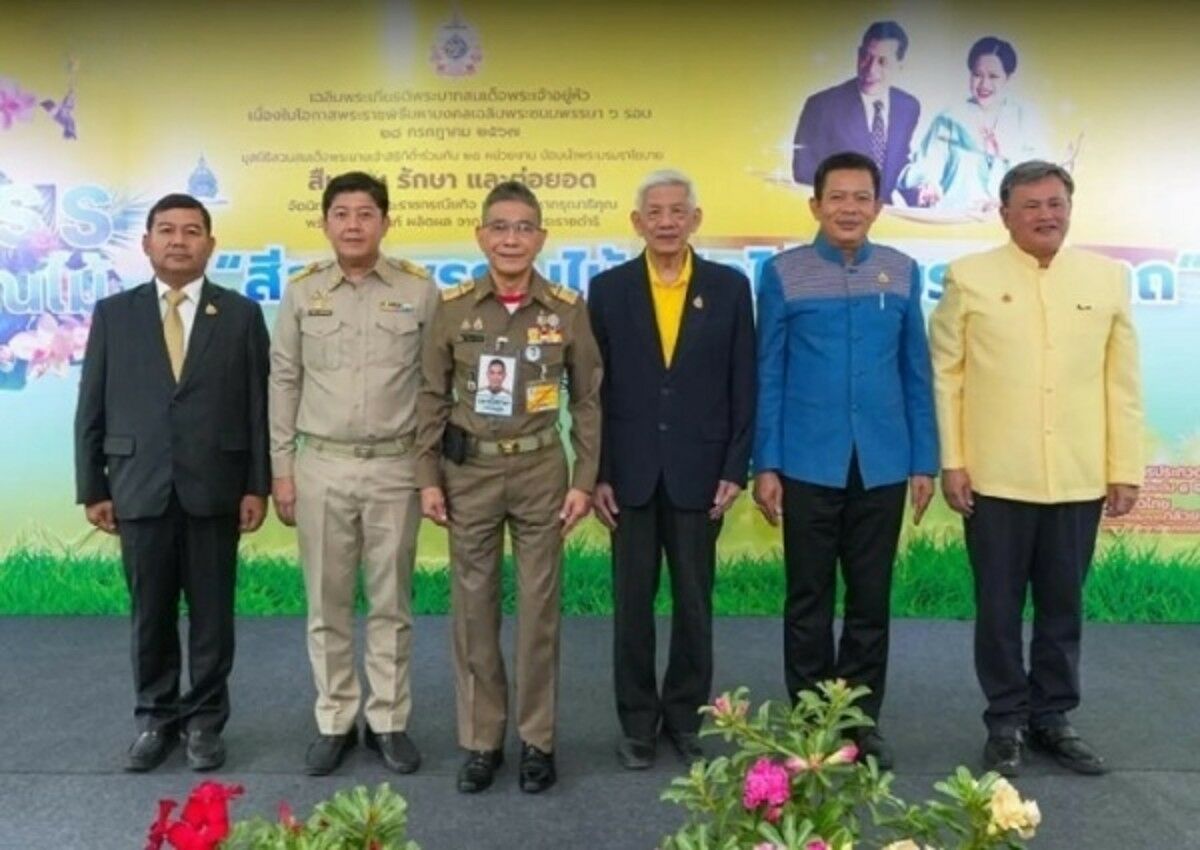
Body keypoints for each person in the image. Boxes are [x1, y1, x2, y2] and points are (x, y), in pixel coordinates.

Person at [929, 160, 1143, 777]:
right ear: (1005, 214)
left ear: (1070, 207)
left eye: (1056, 202)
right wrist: (952, 461)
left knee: (1062, 605)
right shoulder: (969, 277)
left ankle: (1052, 718)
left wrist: (1122, 466)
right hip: (995, 477)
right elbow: (948, 376)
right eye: (1032, 205)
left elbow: (1121, 382)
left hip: (1077, 475)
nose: (1047, 214)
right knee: (997, 608)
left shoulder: (1105, 278)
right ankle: (1004, 721)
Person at [415, 180, 602, 794]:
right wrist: (428, 478)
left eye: (524, 227)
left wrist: (584, 479)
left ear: (541, 238)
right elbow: (431, 397)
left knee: (538, 614)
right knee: (473, 613)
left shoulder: (567, 308)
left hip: (541, 471)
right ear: (481, 235)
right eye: (500, 226)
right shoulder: (454, 307)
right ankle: (481, 740)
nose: (511, 238)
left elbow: (590, 399)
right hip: (468, 474)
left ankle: (538, 741)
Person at [753, 151, 938, 769]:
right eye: (838, 197)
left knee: (869, 600)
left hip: (884, 464)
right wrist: (767, 464)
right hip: (807, 462)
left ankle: (858, 722)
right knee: (807, 598)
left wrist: (924, 463)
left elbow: (917, 373)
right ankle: (810, 722)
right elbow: (768, 373)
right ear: (816, 205)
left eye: (862, 197)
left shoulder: (904, 272)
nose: (850, 208)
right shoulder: (783, 275)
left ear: (879, 207)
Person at [74, 193, 270, 772]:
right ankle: (155, 719)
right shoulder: (115, 314)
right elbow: (91, 407)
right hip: (137, 486)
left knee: (213, 616)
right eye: (166, 230)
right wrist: (93, 486)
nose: (178, 240)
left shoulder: (239, 314)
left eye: (191, 231)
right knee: (150, 614)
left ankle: (206, 723)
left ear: (210, 245)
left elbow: (259, 407)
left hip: (217, 486)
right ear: (147, 243)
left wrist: (256, 484)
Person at [269, 171, 438, 776]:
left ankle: (389, 720)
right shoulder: (302, 292)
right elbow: (284, 379)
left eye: (366, 213)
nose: (353, 225)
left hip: (395, 465)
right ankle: (335, 718)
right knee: (327, 601)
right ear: (325, 223)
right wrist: (282, 470)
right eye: (341, 214)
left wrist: (427, 472)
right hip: (320, 465)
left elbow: (432, 386)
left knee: (392, 602)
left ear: (385, 222)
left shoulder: (420, 292)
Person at [588, 170, 755, 770]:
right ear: (637, 222)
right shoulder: (606, 290)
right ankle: (636, 723)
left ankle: (685, 717)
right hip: (627, 477)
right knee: (632, 606)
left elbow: (744, 383)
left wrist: (736, 466)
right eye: (653, 212)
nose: (665, 221)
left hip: (700, 472)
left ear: (695, 218)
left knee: (693, 603)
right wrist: (598, 472)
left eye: (676, 210)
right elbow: (593, 392)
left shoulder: (730, 288)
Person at [899, 37, 1046, 213]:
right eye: (977, 75)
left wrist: (1003, 155)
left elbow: (1038, 174)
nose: (984, 84)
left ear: (1008, 78)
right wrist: (928, 185)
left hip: (1008, 221)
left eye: (993, 76)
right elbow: (927, 165)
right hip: (957, 220)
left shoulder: (1024, 118)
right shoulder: (949, 119)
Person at [792, 21, 920, 202]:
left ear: (900, 65)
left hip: (886, 218)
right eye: (865, 57)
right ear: (858, 54)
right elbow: (804, 174)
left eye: (882, 61)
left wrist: (919, 192)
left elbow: (896, 164)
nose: (870, 69)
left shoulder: (908, 107)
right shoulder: (821, 106)